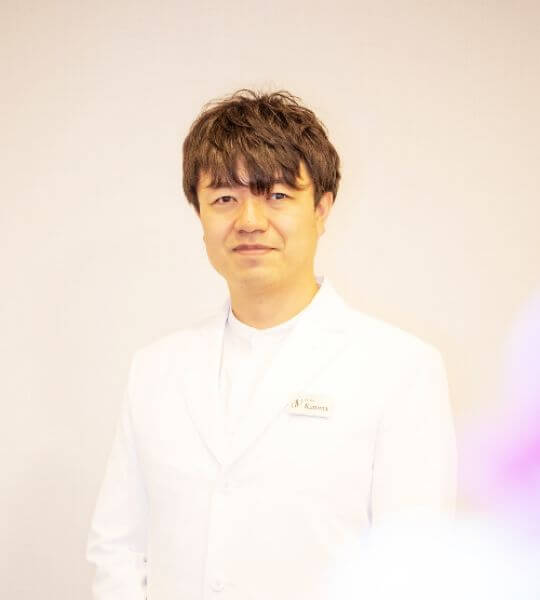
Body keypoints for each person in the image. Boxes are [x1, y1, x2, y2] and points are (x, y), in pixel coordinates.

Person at [86, 89, 457, 600]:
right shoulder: (155, 369)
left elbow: (412, 569)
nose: (250, 220)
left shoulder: (400, 369)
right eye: (224, 198)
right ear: (199, 214)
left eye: (277, 194)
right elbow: (118, 548)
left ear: (322, 208)